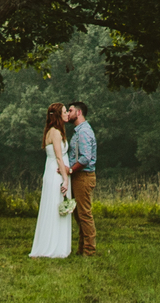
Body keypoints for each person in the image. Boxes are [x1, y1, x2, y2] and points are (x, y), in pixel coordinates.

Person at [29, 101, 73, 258]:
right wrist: (65, 180)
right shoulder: (55, 132)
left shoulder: (53, 131)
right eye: (65, 111)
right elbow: (59, 158)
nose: (68, 113)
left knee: (58, 207)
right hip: (57, 175)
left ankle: (58, 244)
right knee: (57, 207)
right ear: (58, 115)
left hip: (55, 172)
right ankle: (53, 246)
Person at [63, 100, 98, 255]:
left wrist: (70, 170)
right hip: (79, 177)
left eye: (70, 110)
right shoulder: (79, 131)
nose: (68, 113)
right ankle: (81, 248)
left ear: (78, 112)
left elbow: (85, 158)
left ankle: (90, 250)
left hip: (83, 176)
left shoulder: (83, 132)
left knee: (84, 214)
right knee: (78, 214)